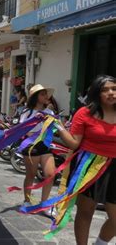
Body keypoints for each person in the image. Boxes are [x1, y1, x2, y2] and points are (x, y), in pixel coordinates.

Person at [51, 75, 115, 245]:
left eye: (114, 89)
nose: (111, 93)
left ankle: (100, 243)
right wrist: (57, 126)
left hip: (115, 168)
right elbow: (74, 142)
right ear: (97, 93)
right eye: (105, 90)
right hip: (89, 165)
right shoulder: (85, 113)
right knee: (86, 213)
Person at [19, 84, 57, 217]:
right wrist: (37, 120)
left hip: (45, 146)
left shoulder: (50, 112)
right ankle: (27, 200)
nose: (46, 96)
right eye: (42, 94)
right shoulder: (26, 112)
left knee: (50, 174)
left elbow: (57, 128)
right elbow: (23, 130)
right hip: (31, 147)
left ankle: (45, 204)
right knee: (31, 175)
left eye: (46, 94)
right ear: (35, 97)